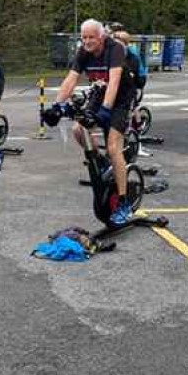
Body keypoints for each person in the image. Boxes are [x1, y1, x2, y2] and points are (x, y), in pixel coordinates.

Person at [48, 19, 138, 226]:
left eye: (91, 37)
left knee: (114, 146)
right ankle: (103, 162)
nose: (87, 41)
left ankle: (124, 202)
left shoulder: (113, 49)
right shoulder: (83, 52)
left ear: (101, 37)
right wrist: (56, 105)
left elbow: (114, 80)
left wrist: (106, 110)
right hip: (100, 92)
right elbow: (71, 79)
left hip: (121, 98)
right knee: (78, 130)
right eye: (84, 37)